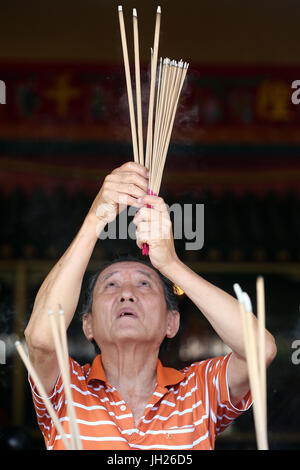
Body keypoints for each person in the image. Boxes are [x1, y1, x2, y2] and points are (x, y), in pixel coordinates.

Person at [24, 161, 277, 450]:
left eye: (144, 284)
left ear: (172, 322)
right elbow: (41, 340)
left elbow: (260, 350)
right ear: (88, 325)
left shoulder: (198, 390)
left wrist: (170, 264)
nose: (127, 294)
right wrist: (97, 218)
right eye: (111, 285)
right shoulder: (65, 389)